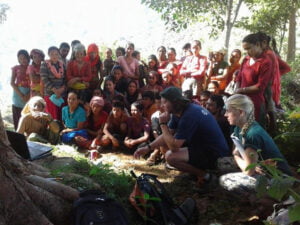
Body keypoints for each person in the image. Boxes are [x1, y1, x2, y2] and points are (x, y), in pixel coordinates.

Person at [134, 87, 230, 183]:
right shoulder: (179, 112)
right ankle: (195, 173)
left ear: (175, 102)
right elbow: (167, 136)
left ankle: (205, 176)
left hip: (216, 153)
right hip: (202, 148)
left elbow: (174, 147)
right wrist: (148, 147)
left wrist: (163, 125)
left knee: (171, 157)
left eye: (165, 102)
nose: (162, 106)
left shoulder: (189, 114)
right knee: (168, 145)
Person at [219, 94, 291, 194]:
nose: (225, 114)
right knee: (222, 163)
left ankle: (267, 198)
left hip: (277, 178)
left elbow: (248, 170)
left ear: (240, 112)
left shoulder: (252, 134)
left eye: (228, 111)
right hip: (259, 168)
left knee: (226, 181)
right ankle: (258, 197)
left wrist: (235, 156)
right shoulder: (238, 127)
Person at [235, 33, 273, 126]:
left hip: (255, 103)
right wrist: (237, 90)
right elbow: (239, 77)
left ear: (257, 44)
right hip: (241, 101)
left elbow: (260, 86)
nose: (247, 52)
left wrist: (241, 90)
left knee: (252, 129)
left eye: (249, 48)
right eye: (245, 50)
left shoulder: (265, 62)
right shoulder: (246, 59)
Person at [40, 46, 66, 120]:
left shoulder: (62, 65)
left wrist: (62, 89)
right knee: (52, 118)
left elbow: (65, 79)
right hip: (50, 95)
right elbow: (44, 79)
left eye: (56, 54)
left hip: (61, 95)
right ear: (48, 54)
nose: (54, 56)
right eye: (52, 54)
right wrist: (55, 90)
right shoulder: (44, 64)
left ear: (59, 54)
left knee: (61, 117)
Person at [11, 49, 31, 130]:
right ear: (18, 59)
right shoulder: (15, 68)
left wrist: (28, 95)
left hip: (29, 93)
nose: (23, 60)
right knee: (17, 115)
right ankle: (18, 137)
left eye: (25, 58)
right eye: (21, 58)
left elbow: (35, 83)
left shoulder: (31, 68)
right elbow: (12, 83)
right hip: (18, 94)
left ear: (28, 58)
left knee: (28, 115)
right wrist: (22, 95)